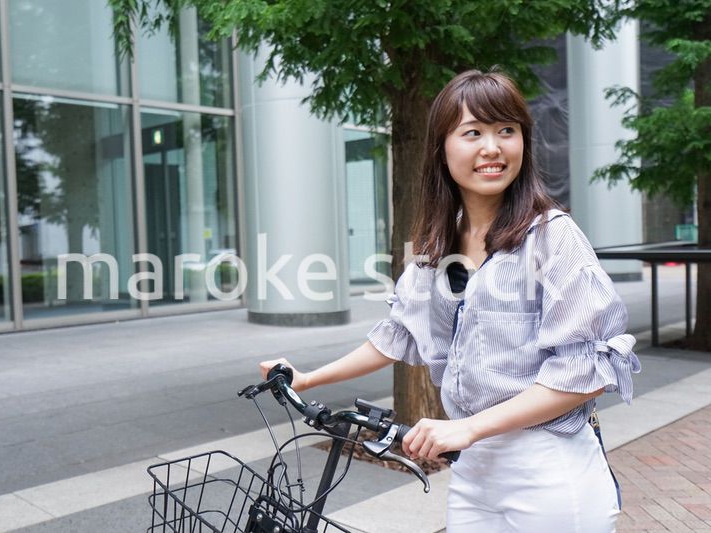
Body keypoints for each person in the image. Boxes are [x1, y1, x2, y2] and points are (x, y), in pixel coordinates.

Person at [259, 69, 640, 532]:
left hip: (547, 468)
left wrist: (469, 427)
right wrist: (308, 378)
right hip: (472, 471)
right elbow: (400, 332)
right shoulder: (438, 243)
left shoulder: (552, 237)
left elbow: (583, 373)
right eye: (473, 132)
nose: (492, 148)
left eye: (507, 131)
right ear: (442, 147)